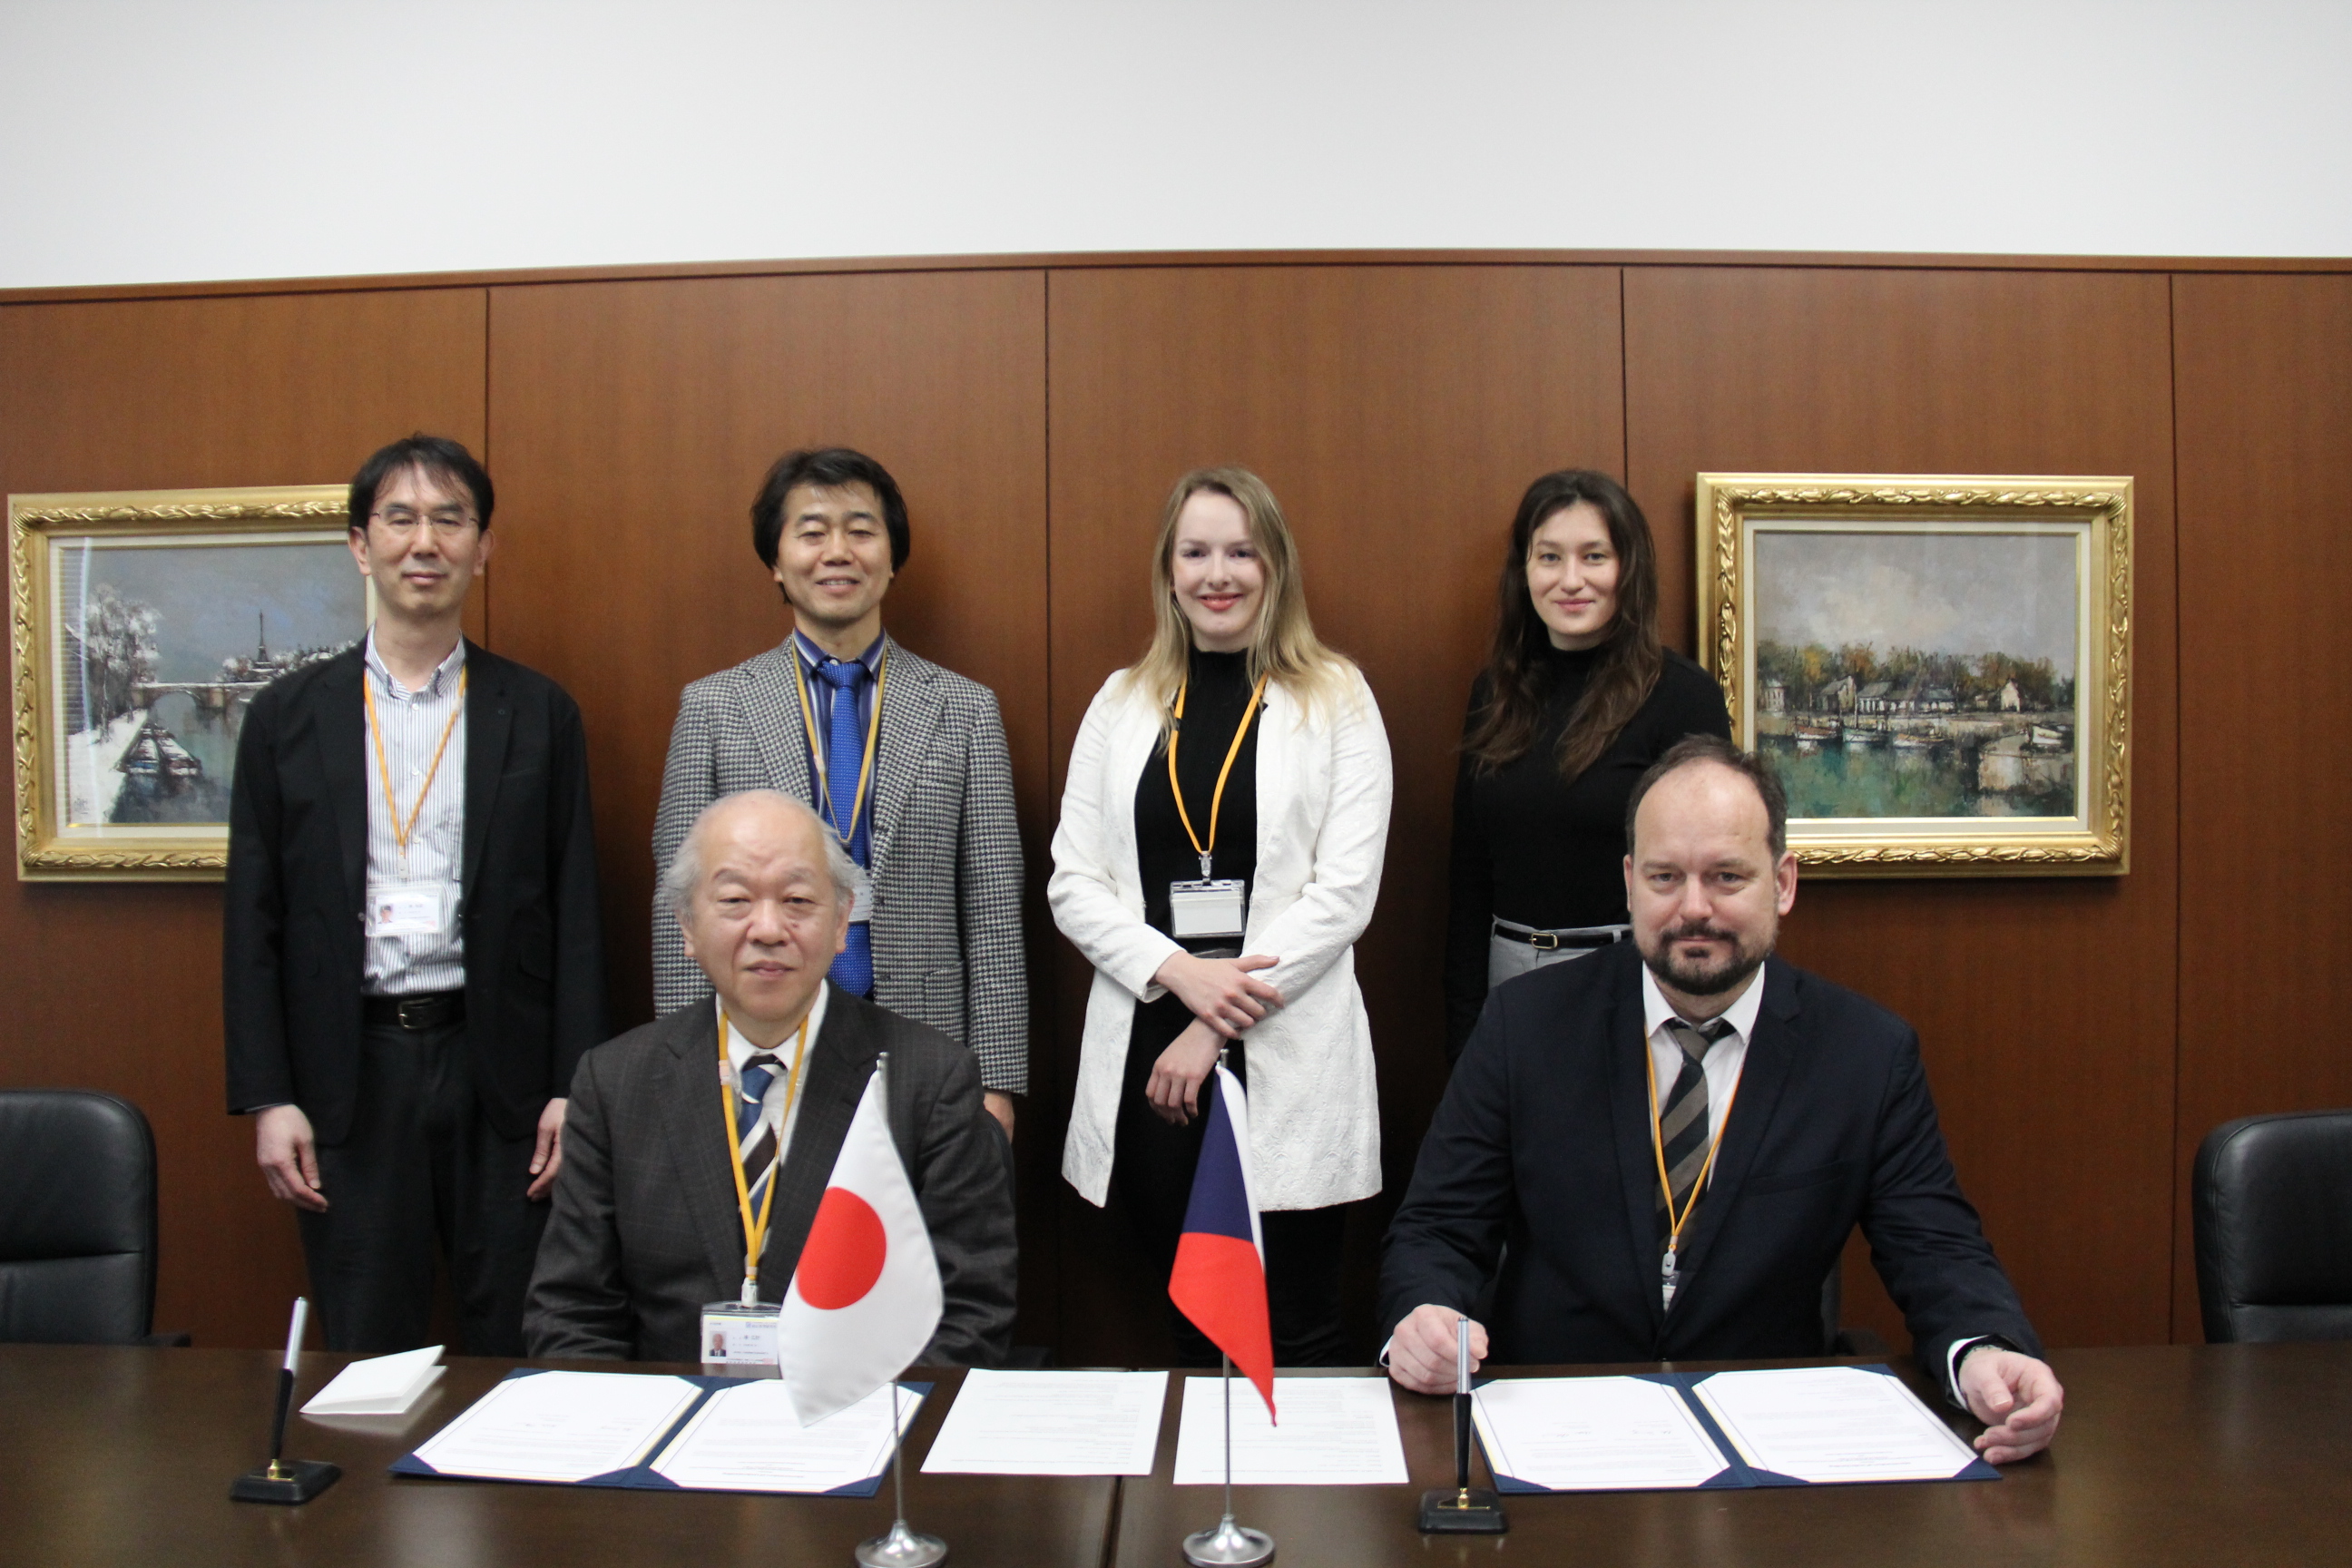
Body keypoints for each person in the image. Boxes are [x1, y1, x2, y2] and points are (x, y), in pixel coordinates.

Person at [1383, 737, 2064, 1465]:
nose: (1693, 909)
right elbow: (1437, 1228)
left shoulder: (1865, 1053)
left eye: (1727, 877)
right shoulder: (1525, 1026)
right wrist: (1422, 1319)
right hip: (1552, 1430)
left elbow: (1936, 1247)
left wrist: (1983, 1351)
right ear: (1629, 882)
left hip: (1769, 1448)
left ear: (1784, 883)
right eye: (1665, 877)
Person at [224, 434, 607, 1355]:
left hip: (500, 1071)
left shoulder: (539, 711)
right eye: (400, 518)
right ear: (361, 545)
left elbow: (577, 912)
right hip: (348, 1073)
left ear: (484, 546)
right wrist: (268, 1095)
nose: (424, 541)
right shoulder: (286, 718)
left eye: (450, 519)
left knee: (518, 1327)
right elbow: (254, 922)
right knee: (366, 1336)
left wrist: (572, 1090)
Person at [1051, 466, 1391, 1367]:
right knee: (1192, 1327)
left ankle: (1302, 1508)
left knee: (1301, 1325)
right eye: (1196, 551)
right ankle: (1201, 1512)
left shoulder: (1338, 699)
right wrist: (1178, 974)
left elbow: (1344, 893)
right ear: (1168, 570)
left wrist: (1213, 1017)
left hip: (1282, 1043)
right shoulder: (1122, 704)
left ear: (1276, 565)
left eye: (1242, 551)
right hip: (1151, 1061)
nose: (1218, 573)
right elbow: (1070, 881)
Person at [525, 790, 1017, 1364]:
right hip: (671, 1432)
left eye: (798, 899)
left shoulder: (929, 1081)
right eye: (735, 899)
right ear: (686, 925)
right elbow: (570, 1315)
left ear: (841, 922)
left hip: (856, 1429)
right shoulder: (615, 1083)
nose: (767, 928)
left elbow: (968, 1318)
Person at [652, 447, 1026, 1139]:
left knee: (917, 1244)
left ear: (892, 558)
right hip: (758, 1044)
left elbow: (994, 904)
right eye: (811, 531)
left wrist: (995, 1079)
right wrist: (692, 1062)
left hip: (926, 1042)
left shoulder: (965, 710)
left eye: (860, 530)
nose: (837, 552)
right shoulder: (714, 708)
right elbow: (679, 902)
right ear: (776, 561)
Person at [1445, 470, 1730, 1061]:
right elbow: (1468, 876)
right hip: (1509, 981)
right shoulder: (1494, 693)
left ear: (1628, 568)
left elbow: (1711, 876)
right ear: (1524, 572)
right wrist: (1464, 1033)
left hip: (1633, 981)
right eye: (1549, 557)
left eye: (1594, 556)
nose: (1571, 580)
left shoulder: (1681, 695)